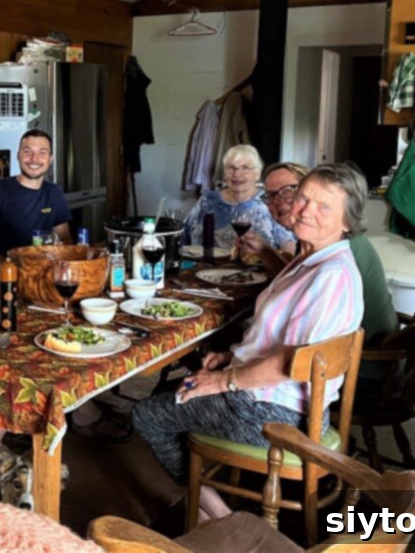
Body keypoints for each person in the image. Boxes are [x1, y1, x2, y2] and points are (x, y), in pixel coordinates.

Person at [132, 162, 365, 488]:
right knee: (186, 386)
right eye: (303, 198)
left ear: (347, 221)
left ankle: (209, 510)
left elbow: (291, 362)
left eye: (324, 206)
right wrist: (232, 358)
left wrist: (224, 380)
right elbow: (278, 340)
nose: (305, 211)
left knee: (147, 414)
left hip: (276, 414)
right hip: (277, 399)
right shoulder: (312, 260)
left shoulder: (331, 276)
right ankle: (209, 487)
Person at [240, 161, 398, 367]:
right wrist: (264, 251)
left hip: (365, 357)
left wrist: (229, 378)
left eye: (288, 191)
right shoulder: (313, 243)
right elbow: (299, 282)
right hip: (340, 354)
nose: (279, 202)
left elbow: (299, 361)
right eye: (270, 195)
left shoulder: (335, 251)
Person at [183, 144, 295, 255]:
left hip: (256, 270)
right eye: (231, 168)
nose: (237, 174)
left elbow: (289, 246)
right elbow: (183, 234)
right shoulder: (207, 200)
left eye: (245, 168)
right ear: (224, 172)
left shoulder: (268, 201)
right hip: (203, 269)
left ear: (257, 173)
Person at [0, 129, 71, 254]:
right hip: (5, 270)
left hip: (43, 269)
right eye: (27, 151)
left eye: (42, 153)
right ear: (18, 155)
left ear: (50, 159)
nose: (34, 158)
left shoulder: (54, 192)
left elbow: (65, 241)